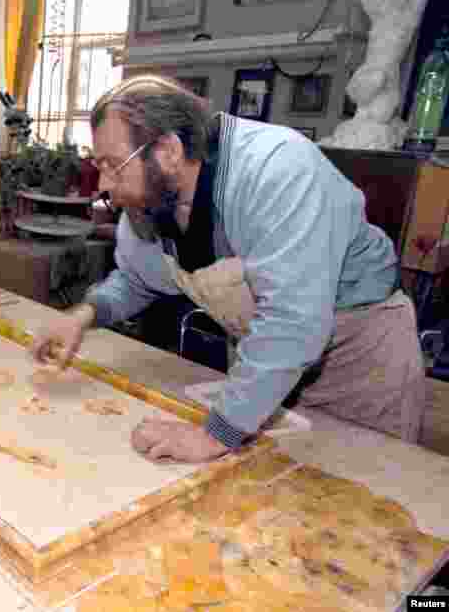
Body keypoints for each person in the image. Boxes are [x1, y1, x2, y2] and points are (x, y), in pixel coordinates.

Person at [31, 75, 428, 463]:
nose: (102, 182)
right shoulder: (149, 202)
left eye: (113, 164)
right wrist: (82, 317)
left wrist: (214, 434)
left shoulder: (275, 170)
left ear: (168, 150)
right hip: (265, 361)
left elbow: (294, 320)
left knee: (355, 498)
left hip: (356, 360)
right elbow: (136, 281)